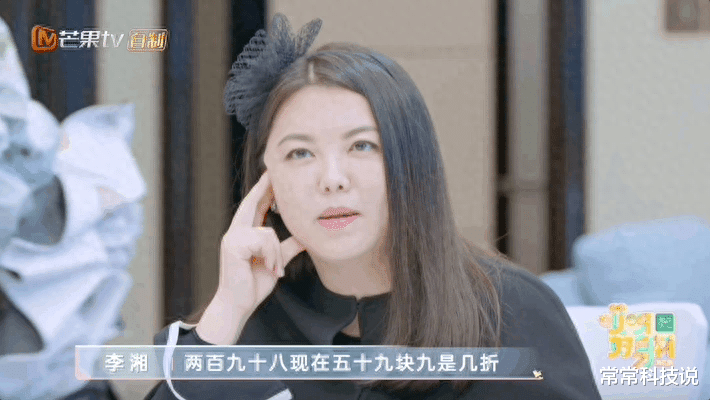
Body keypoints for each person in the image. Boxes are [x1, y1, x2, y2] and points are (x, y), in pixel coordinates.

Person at [145, 14, 601, 400]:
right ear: (269, 188)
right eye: (300, 153)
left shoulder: (512, 312)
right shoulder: (245, 322)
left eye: (362, 146)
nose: (332, 178)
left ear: (411, 166)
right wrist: (226, 311)